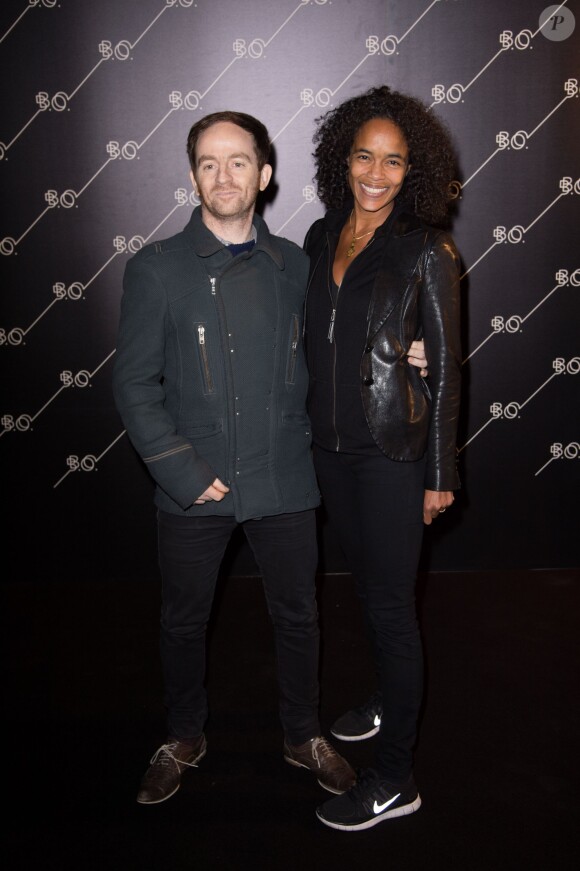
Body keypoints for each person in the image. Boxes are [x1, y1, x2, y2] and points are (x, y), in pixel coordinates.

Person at [112, 111, 359, 805]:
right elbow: (134, 384)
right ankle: (184, 734)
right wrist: (182, 472)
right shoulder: (156, 268)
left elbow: (337, 351)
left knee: (300, 616)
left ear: (265, 174)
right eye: (209, 163)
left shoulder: (298, 267)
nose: (224, 176)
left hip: (285, 477)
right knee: (183, 620)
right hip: (195, 483)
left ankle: (302, 733)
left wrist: (406, 353)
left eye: (239, 161)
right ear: (193, 177)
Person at [303, 85, 462, 831]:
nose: (376, 173)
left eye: (393, 161)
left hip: (392, 455)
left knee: (393, 610)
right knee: (368, 590)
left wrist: (441, 475)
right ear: (344, 160)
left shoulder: (427, 249)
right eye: (364, 156)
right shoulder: (320, 234)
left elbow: (448, 370)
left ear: (412, 170)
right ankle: (384, 699)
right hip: (330, 451)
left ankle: (396, 778)